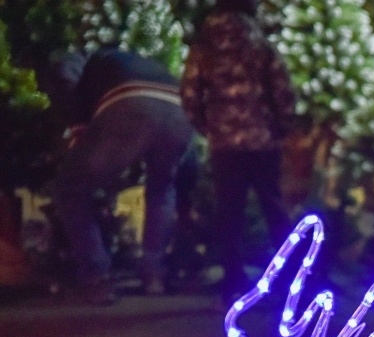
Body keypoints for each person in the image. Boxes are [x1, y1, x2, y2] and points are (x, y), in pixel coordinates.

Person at [47, 49, 195, 303]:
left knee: (69, 189)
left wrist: (78, 124)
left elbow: (63, 75)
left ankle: (96, 278)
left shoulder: (80, 57)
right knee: (161, 188)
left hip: (131, 104)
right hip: (179, 109)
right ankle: (153, 274)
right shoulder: (139, 60)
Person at [182, 0, 295, 301]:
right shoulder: (261, 45)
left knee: (229, 213)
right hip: (262, 140)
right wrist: (282, 126)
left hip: (225, 144)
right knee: (274, 208)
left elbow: (190, 93)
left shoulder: (203, 47)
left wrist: (208, 126)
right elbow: (282, 89)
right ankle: (289, 282)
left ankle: (233, 283)